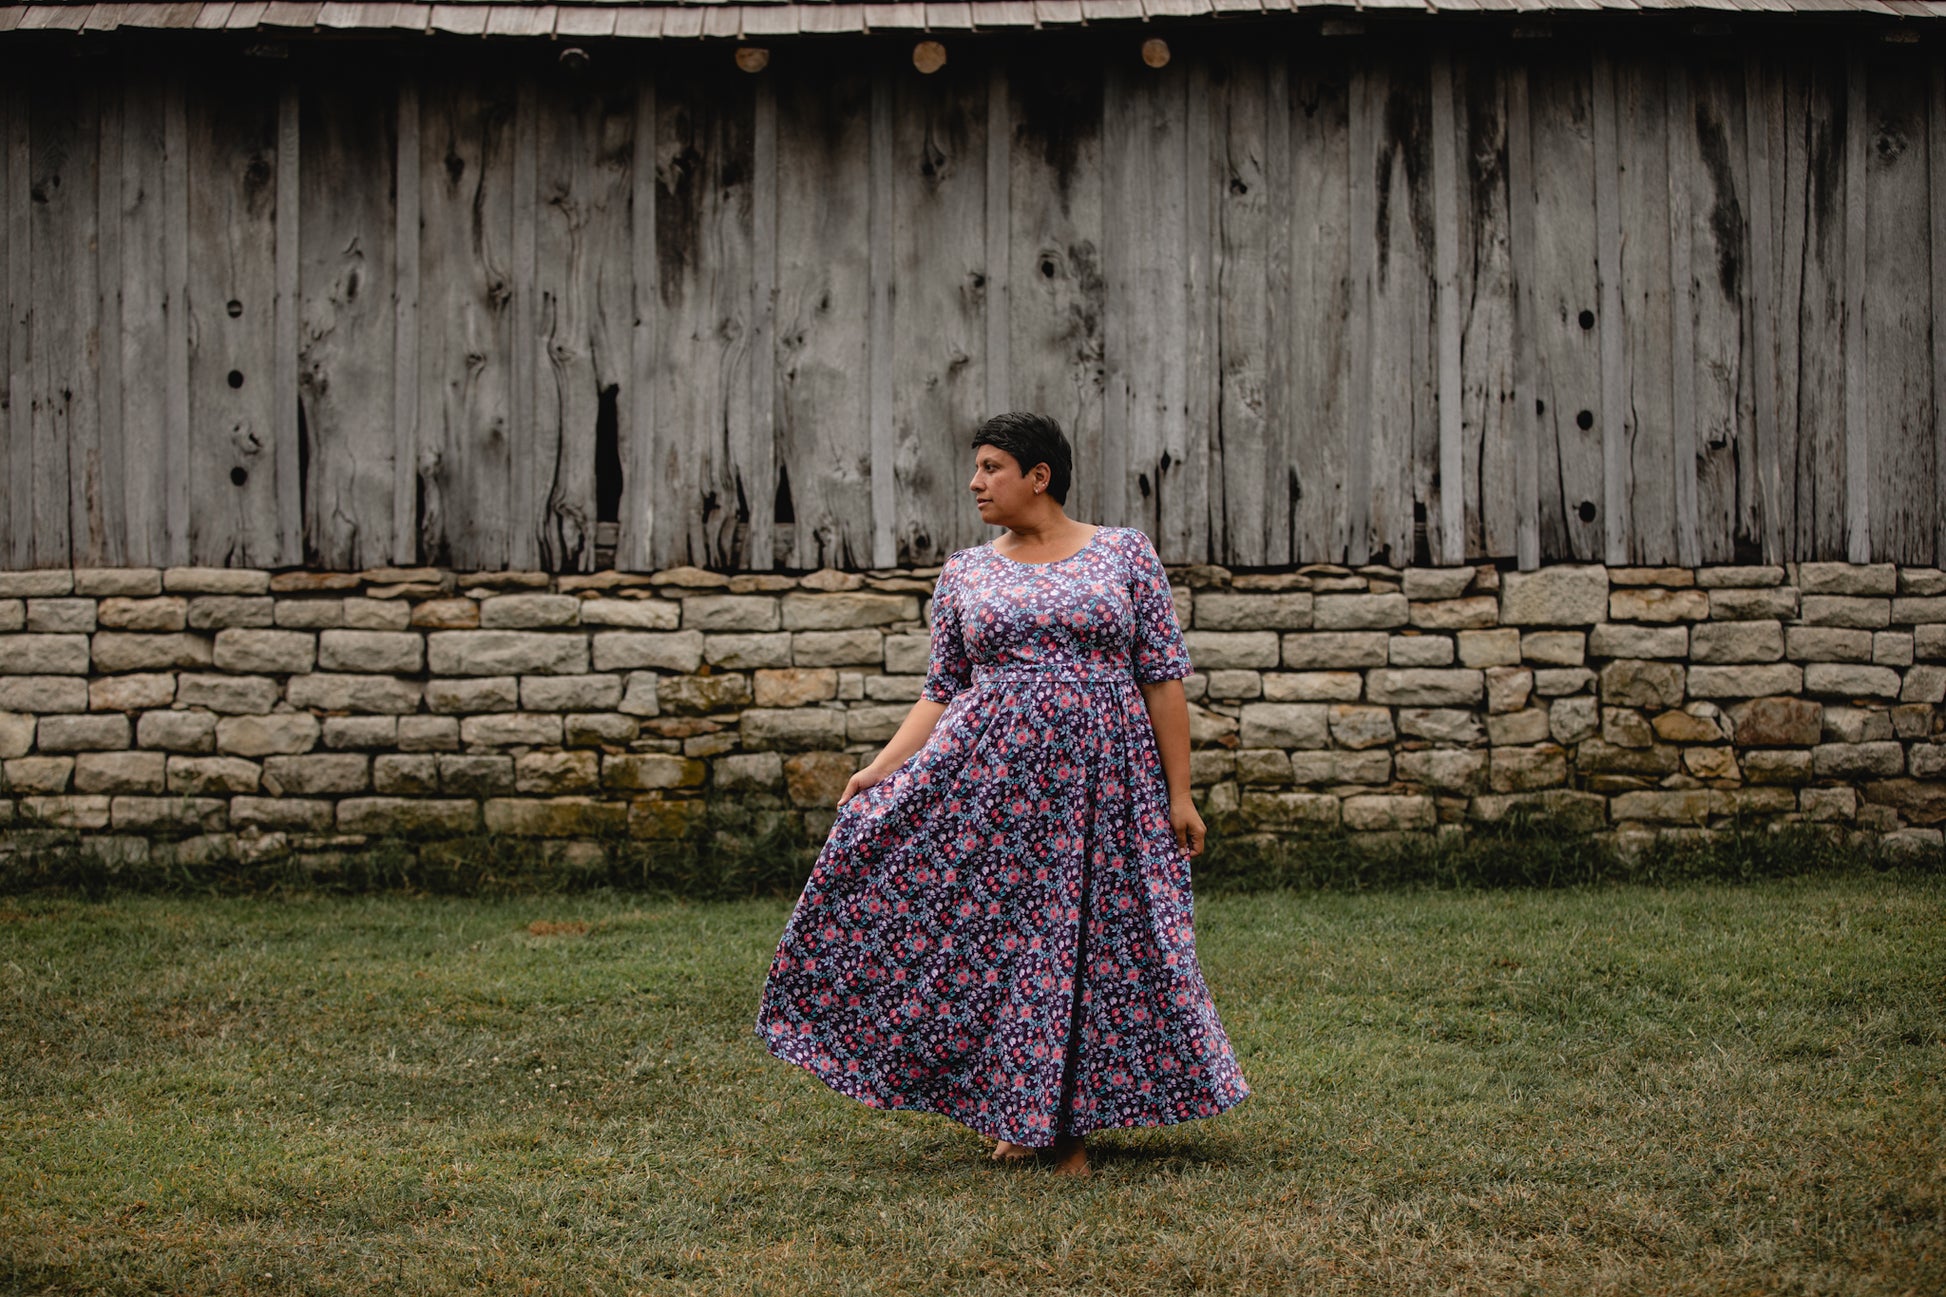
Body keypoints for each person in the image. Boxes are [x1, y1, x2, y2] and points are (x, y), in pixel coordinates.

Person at [754, 411, 1250, 1176]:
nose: (976, 482)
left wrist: (1179, 794)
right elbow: (942, 690)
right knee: (1006, 951)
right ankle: (1029, 1116)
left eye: (991, 467)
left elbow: (1162, 676)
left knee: (1092, 950)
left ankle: (1059, 1127)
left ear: (1038, 476)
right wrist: (883, 767)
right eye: (977, 467)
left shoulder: (1125, 554)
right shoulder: (966, 572)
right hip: (992, 796)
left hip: (1105, 792)